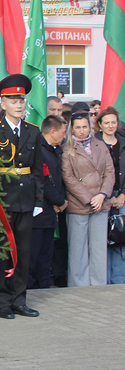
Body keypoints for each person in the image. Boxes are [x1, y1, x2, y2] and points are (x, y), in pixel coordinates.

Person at [0, 74, 43, 319]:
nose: (19, 104)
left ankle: (19, 299)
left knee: (23, 252)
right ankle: (2, 301)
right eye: (13, 100)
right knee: (2, 252)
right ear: (3, 103)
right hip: (2, 200)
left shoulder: (33, 131)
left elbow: (39, 169)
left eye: (22, 100)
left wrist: (39, 200)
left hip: (26, 198)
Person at [62, 112, 114, 287]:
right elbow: (68, 177)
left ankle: (99, 284)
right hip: (79, 204)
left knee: (99, 248)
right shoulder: (67, 148)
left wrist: (102, 195)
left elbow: (110, 172)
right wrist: (90, 198)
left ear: (90, 127)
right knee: (78, 249)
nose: (82, 130)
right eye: (78, 127)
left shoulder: (100, 145)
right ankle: (79, 286)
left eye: (85, 126)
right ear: (72, 129)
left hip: (101, 203)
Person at [29, 115, 68, 289]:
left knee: (46, 254)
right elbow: (42, 181)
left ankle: (43, 286)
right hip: (38, 212)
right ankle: (31, 287)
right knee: (34, 254)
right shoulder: (39, 150)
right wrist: (59, 200)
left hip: (51, 213)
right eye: (63, 132)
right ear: (53, 131)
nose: (64, 136)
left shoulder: (56, 150)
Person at [95, 106, 125, 284]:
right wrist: (106, 195)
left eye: (113, 122)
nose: (111, 126)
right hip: (101, 196)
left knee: (121, 238)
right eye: (107, 123)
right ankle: (102, 280)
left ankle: (119, 279)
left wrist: (122, 195)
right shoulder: (95, 144)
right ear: (100, 125)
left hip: (121, 195)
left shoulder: (123, 142)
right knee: (102, 240)